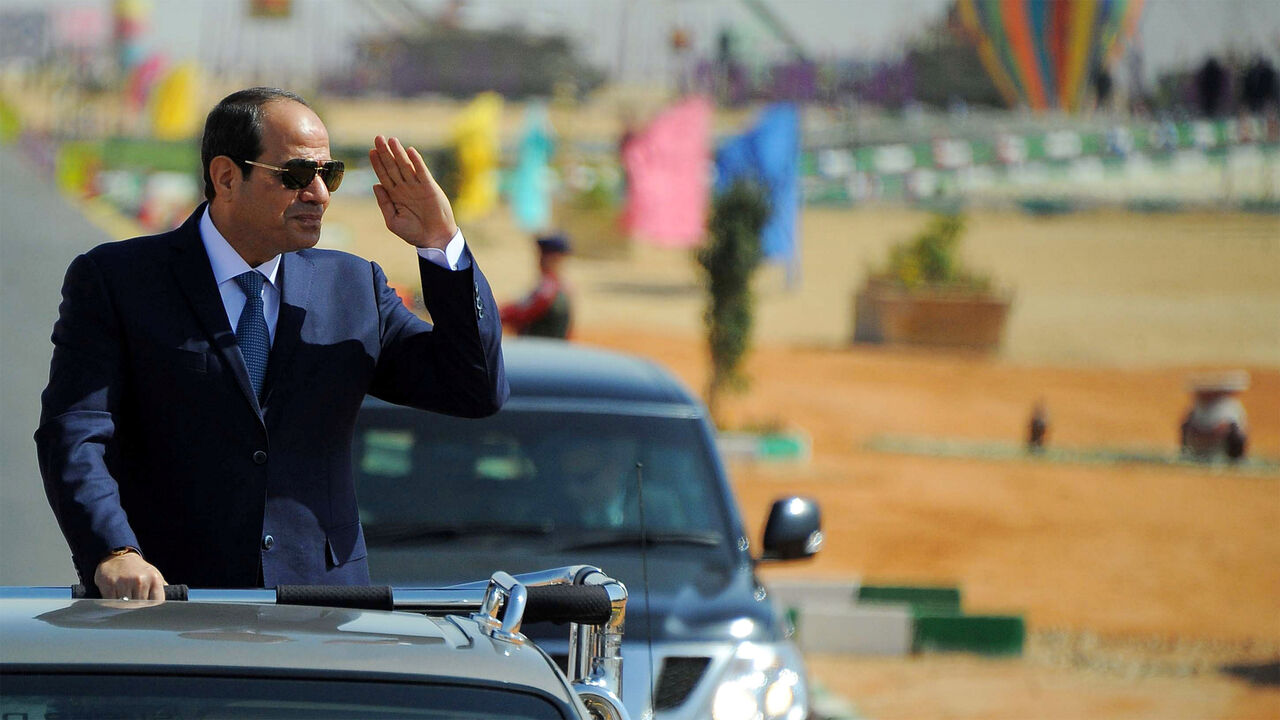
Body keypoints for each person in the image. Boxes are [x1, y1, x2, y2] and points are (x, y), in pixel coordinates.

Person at [35, 87, 509, 599]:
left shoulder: (354, 288)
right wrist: (114, 552)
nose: (320, 195)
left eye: (328, 175)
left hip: (321, 608)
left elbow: (475, 390)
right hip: (168, 606)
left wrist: (442, 244)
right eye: (297, 176)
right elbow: (75, 434)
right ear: (225, 177)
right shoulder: (117, 281)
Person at [499, 233, 572, 339]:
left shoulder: (548, 288)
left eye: (544, 255)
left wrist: (496, 315)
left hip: (540, 349)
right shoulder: (562, 286)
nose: (540, 260)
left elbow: (523, 312)